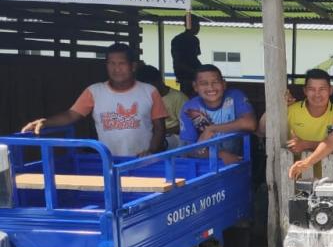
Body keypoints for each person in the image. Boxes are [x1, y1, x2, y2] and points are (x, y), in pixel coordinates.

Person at [22, 44, 166, 158]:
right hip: (108, 162)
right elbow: (71, 115)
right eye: (111, 63)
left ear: (133, 66)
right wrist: (45, 122)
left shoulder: (149, 91)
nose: (117, 69)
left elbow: (159, 128)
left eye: (122, 63)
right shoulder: (94, 91)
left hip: (141, 161)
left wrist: (151, 151)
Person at [178, 65, 256, 164]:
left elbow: (250, 124)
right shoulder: (189, 108)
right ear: (195, 87)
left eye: (215, 82)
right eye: (203, 83)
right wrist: (221, 155)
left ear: (223, 84)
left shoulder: (235, 96)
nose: (210, 87)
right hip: (204, 167)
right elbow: (188, 149)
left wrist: (212, 129)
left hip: (240, 162)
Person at [259, 69, 333, 157]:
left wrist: (306, 144)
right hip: (291, 169)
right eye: (311, 89)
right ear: (305, 90)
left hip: (328, 170)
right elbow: (262, 131)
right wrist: (276, 105)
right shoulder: (290, 110)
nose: (317, 94)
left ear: (331, 90)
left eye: (322, 89)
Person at [136, 64, 187, 149]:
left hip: (172, 138)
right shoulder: (141, 98)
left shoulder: (178, 97)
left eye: (149, 86)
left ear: (159, 81)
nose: (146, 90)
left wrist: (163, 132)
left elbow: (186, 126)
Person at [170, 19, 201, 97]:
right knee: (186, 97)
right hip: (185, 75)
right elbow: (177, 61)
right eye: (196, 25)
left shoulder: (194, 40)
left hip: (192, 74)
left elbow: (195, 57)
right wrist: (193, 71)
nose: (198, 28)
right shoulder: (178, 40)